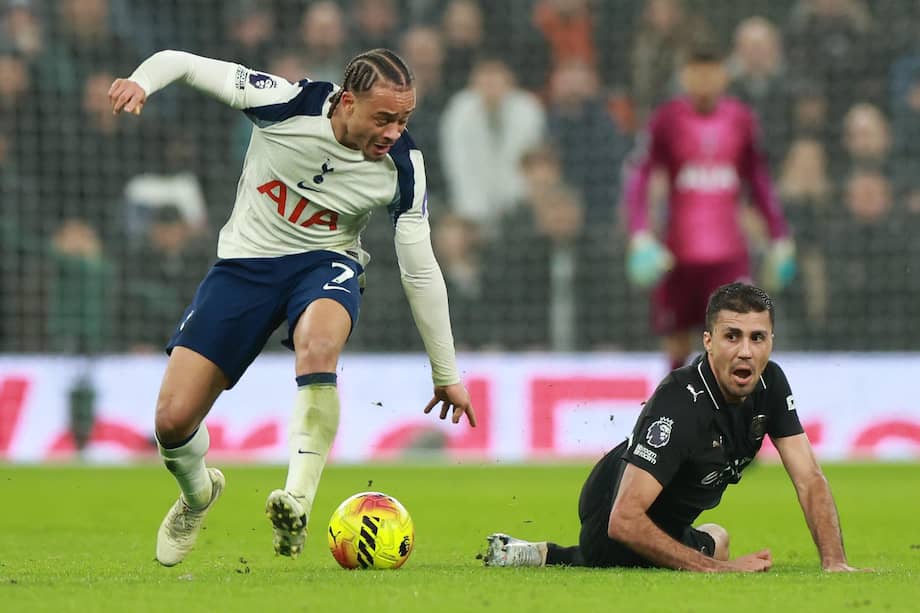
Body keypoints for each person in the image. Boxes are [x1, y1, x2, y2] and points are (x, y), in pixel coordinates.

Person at [108, 47, 477, 567]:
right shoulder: (283, 102)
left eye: (405, 118)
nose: (395, 131)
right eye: (384, 118)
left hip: (325, 264)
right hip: (245, 267)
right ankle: (197, 494)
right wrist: (142, 81)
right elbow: (185, 63)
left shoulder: (403, 167)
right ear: (347, 102)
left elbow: (420, 269)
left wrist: (446, 372)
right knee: (172, 421)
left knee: (319, 343)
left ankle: (297, 502)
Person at [482, 283, 863, 573]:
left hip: (669, 521)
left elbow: (809, 478)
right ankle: (557, 555)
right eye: (732, 336)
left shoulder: (771, 383)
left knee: (719, 538)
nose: (746, 351)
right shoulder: (681, 402)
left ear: (771, 342)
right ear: (709, 342)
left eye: (757, 337)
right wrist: (721, 572)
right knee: (622, 557)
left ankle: (540, 553)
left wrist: (835, 562)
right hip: (611, 512)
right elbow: (624, 521)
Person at [623, 41, 796, 370]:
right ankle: (676, 414)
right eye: (696, 74)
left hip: (729, 257)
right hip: (678, 255)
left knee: (734, 339)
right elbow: (640, 177)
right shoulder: (667, 119)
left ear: (723, 77)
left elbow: (759, 181)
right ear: (685, 77)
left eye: (710, 74)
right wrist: (640, 234)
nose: (703, 82)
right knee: (676, 342)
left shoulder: (741, 119)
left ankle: (731, 418)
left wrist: (779, 237)